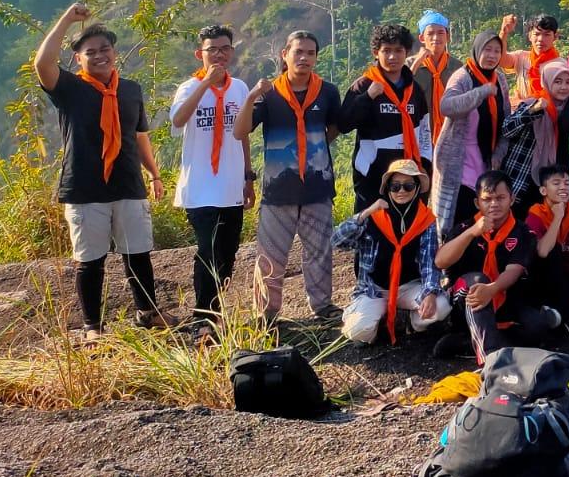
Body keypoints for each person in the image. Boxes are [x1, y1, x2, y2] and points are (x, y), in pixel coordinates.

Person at [34, 3, 166, 340]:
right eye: (90, 52)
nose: (99, 55)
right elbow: (42, 63)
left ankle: (147, 313)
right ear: (78, 59)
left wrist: (154, 173)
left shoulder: (130, 89)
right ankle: (93, 326)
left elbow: (139, 136)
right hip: (84, 188)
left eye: (105, 49)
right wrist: (66, 18)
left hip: (128, 184)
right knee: (90, 261)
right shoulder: (69, 89)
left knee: (138, 253)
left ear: (115, 52)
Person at [234, 30, 343, 325]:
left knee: (319, 252)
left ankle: (322, 306)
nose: (305, 58)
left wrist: (312, 150)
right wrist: (252, 96)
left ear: (316, 57)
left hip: (317, 188)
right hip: (277, 191)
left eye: (310, 53)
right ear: (285, 54)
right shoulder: (270, 93)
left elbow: (332, 129)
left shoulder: (328, 91)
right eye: (299, 52)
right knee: (270, 255)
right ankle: (266, 314)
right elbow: (239, 131)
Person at [168, 23, 253, 328]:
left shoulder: (240, 88)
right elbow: (177, 122)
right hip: (201, 187)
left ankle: (215, 310)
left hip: (231, 185)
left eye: (225, 48)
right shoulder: (189, 88)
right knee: (208, 249)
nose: (219, 55)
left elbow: (243, 134)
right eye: (212, 49)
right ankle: (202, 316)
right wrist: (206, 84)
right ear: (199, 53)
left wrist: (248, 177)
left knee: (228, 252)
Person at [434, 171, 560, 366]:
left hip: (506, 300)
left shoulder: (523, 232)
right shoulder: (464, 228)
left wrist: (492, 289)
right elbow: (441, 261)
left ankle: (471, 343)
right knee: (476, 282)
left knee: (538, 328)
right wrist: (471, 233)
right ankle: (490, 357)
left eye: (500, 198)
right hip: (467, 298)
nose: (494, 204)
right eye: (487, 199)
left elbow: (514, 270)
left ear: (512, 199)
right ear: (478, 203)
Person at [333, 160, 450, 345]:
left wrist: (430, 292)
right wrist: (365, 213)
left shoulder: (425, 220)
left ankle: (412, 323)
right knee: (359, 331)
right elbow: (337, 240)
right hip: (375, 290)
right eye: (395, 186)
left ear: (417, 188)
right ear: (388, 188)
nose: (401, 191)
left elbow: (429, 262)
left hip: (408, 286)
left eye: (408, 185)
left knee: (440, 307)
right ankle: (375, 320)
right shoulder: (373, 217)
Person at [340, 23, 432, 222]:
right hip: (372, 178)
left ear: (407, 52)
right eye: (386, 51)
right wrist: (368, 97)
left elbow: (425, 130)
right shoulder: (364, 85)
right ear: (376, 53)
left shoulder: (414, 90)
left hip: (408, 179)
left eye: (399, 50)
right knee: (370, 235)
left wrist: (424, 166)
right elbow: (344, 124)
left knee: (406, 233)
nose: (393, 57)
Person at [431, 30, 511, 239]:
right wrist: (481, 92)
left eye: (497, 51)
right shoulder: (462, 76)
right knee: (460, 217)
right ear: (477, 50)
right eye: (487, 50)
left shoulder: (500, 79)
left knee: (485, 220)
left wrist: (499, 153)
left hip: (486, 161)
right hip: (459, 160)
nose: (492, 56)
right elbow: (446, 106)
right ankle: (452, 266)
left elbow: (506, 121)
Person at [497, 61, 569, 207]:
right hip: (520, 178)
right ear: (547, 81)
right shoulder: (532, 103)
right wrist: (533, 111)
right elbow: (507, 129)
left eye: (568, 82)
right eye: (558, 82)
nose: (564, 87)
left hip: (548, 184)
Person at [524, 163, 569, 329]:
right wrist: (558, 217)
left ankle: (567, 318)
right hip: (540, 277)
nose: (563, 187)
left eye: (566, 183)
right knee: (554, 250)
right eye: (556, 183)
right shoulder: (535, 215)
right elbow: (542, 252)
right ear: (544, 191)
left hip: (567, 273)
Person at [408, 10, 455, 145]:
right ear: (422, 38)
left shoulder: (456, 67)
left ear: (448, 36)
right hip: (417, 134)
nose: (436, 38)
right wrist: (418, 61)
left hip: (450, 136)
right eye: (430, 33)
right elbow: (400, 90)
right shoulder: (410, 64)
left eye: (441, 32)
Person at [499, 13, 565, 105]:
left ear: (555, 37)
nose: (541, 39)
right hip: (523, 114)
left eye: (547, 35)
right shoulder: (521, 57)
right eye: (537, 34)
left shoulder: (560, 65)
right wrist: (504, 33)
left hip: (550, 116)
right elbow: (501, 60)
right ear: (530, 36)